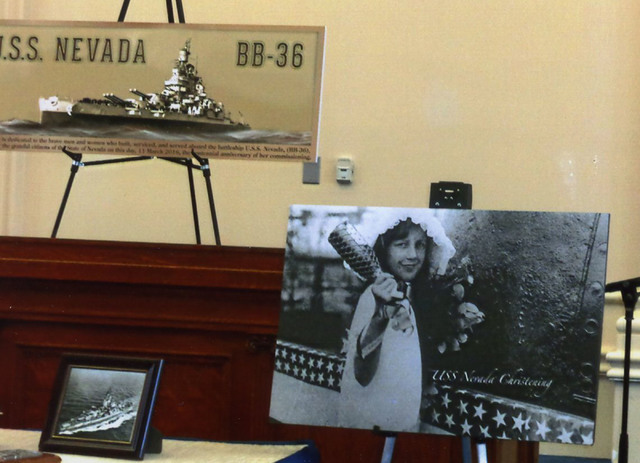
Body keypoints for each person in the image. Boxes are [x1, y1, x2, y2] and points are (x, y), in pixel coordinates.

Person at [338, 211, 481, 432]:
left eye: (420, 245)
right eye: (402, 244)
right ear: (384, 249)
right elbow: (362, 374)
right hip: (375, 423)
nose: (413, 254)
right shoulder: (374, 297)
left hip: (403, 420)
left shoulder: (409, 296)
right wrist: (380, 316)